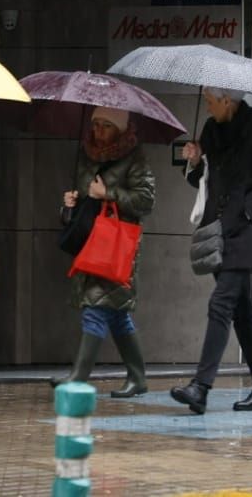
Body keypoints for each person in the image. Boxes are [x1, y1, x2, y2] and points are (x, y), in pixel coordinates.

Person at [171, 88, 252, 414]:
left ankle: (201, 387)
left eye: (211, 100)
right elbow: (204, 182)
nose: (207, 105)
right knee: (242, 313)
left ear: (228, 100)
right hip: (218, 232)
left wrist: (247, 211)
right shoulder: (211, 130)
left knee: (221, 304)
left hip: (246, 234)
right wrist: (194, 163)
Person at [51, 107, 155, 397]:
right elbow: (85, 206)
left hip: (117, 245)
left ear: (120, 129)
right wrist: (69, 206)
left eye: (106, 125)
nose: (98, 131)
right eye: (95, 124)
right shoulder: (87, 155)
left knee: (95, 308)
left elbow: (146, 201)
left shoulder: (135, 159)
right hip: (92, 242)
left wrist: (108, 194)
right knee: (117, 313)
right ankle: (138, 378)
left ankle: (79, 377)